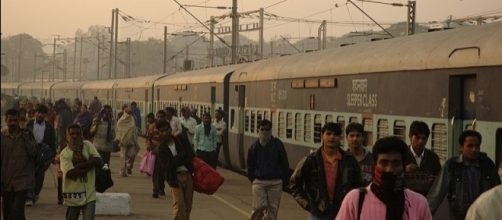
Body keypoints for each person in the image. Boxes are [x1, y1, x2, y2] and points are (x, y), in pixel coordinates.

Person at [335, 136, 432, 220]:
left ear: (403, 166)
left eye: (396, 163)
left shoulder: (418, 203)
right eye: (384, 163)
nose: (389, 169)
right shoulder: (355, 200)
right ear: (375, 165)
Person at [290, 122, 363, 220]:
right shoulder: (311, 160)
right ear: (322, 136)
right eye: (328, 134)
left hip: (342, 211)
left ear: (340, 138)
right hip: (318, 213)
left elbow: (358, 186)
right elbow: (294, 184)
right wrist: (308, 205)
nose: (332, 137)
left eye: (336, 134)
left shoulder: (349, 160)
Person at [427, 130, 501, 220]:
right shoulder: (452, 166)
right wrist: (425, 215)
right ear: (461, 147)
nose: (474, 149)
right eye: (470, 146)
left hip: (483, 215)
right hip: (459, 216)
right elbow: (436, 194)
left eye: (477, 146)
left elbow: (497, 193)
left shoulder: (488, 165)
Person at [247, 119, 290, 220]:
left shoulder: (278, 145)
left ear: (271, 131)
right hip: (259, 182)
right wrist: (253, 179)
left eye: (267, 129)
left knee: (273, 210)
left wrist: (283, 180)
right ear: (258, 130)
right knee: (258, 208)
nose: (265, 132)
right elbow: (250, 165)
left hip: (275, 182)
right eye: (262, 129)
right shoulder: (254, 147)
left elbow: (284, 163)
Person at [60, 124, 102, 220]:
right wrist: (89, 165)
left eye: (78, 133)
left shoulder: (87, 145)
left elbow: (98, 160)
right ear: (67, 136)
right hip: (73, 195)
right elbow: (71, 173)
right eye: (72, 134)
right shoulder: (64, 153)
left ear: (81, 135)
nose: (75, 136)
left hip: (89, 194)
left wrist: (78, 166)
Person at [1, 108, 37, 220]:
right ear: (6, 121)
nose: (13, 123)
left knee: (17, 210)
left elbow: (34, 152)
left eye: (15, 121)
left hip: (22, 180)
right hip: (6, 180)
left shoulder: (26, 135)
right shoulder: (2, 137)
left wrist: (25, 136)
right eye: (10, 120)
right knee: (7, 213)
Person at [156, 120, 195, 220]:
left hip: (188, 175)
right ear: (159, 133)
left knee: (188, 205)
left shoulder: (180, 140)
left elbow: (191, 154)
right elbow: (167, 166)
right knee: (179, 205)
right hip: (175, 178)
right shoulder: (161, 149)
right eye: (161, 131)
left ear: (170, 129)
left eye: (166, 130)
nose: (164, 133)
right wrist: (181, 156)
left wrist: (176, 159)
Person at [25, 104, 57, 206]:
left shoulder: (49, 127)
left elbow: (53, 142)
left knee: (39, 176)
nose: (40, 115)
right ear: (35, 113)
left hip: (43, 154)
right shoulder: (29, 125)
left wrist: (52, 155)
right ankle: (29, 196)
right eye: (38, 112)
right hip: (30, 153)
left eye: (42, 113)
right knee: (29, 174)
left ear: (45, 115)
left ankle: (35, 194)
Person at [403, 121, 441, 196]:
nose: (420, 141)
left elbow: (438, 181)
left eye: (424, 138)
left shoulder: (433, 158)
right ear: (410, 137)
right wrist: (405, 169)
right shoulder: (402, 156)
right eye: (417, 138)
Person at [146, 112, 165, 198]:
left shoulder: (167, 127)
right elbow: (148, 138)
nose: (159, 118)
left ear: (164, 118)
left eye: (161, 117)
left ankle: (161, 187)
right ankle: (155, 190)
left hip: (164, 152)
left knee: (162, 172)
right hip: (155, 152)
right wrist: (149, 147)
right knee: (155, 172)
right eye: (158, 117)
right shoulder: (152, 126)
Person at [116, 107, 140, 177]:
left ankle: (129, 166)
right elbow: (119, 129)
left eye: (130, 113)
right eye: (128, 113)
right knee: (123, 157)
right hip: (123, 141)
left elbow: (134, 128)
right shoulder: (121, 121)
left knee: (132, 154)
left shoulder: (133, 119)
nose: (129, 114)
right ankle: (123, 171)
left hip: (132, 141)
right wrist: (119, 139)